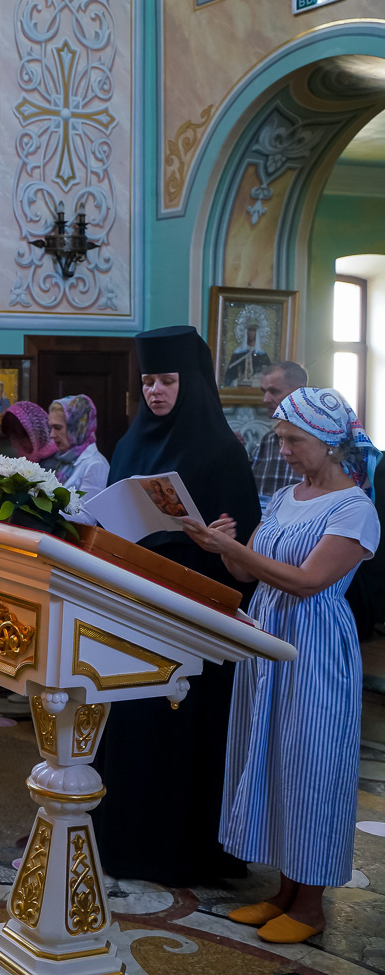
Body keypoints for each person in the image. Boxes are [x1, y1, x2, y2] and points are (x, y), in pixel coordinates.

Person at [180, 388, 378, 944]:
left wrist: (238, 553)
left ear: (329, 442)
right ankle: (284, 893)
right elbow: (250, 577)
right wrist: (224, 546)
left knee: (312, 767)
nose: (283, 448)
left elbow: (308, 581)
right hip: (268, 638)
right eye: (281, 438)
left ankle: (311, 906)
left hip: (313, 647)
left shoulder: (355, 508)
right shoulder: (287, 495)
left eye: (293, 439)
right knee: (270, 758)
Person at [92, 325, 262, 885]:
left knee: (184, 726)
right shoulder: (129, 444)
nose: (155, 392)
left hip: (194, 611)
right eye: (147, 381)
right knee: (133, 723)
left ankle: (182, 849)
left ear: (190, 382)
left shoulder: (219, 448)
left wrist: (217, 537)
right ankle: (125, 840)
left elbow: (245, 540)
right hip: (135, 606)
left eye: (166, 381)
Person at [247, 361, 306, 509]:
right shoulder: (267, 441)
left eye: (274, 391)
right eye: (264, 391)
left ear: (299, 392)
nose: (265, 399)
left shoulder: (319, 442)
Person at [49, 394, 108, 495]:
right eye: (51, 428)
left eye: (58, 428)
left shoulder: (95, 465)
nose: (52, 435)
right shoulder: (64, 460)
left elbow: (88, 509)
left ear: (77, 428)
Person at [0, 401, 59, 466]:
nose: (16, 445)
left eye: (20, 439)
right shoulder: (27, 460)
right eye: (12, 439)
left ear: (37, 434)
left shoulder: (54, 463)